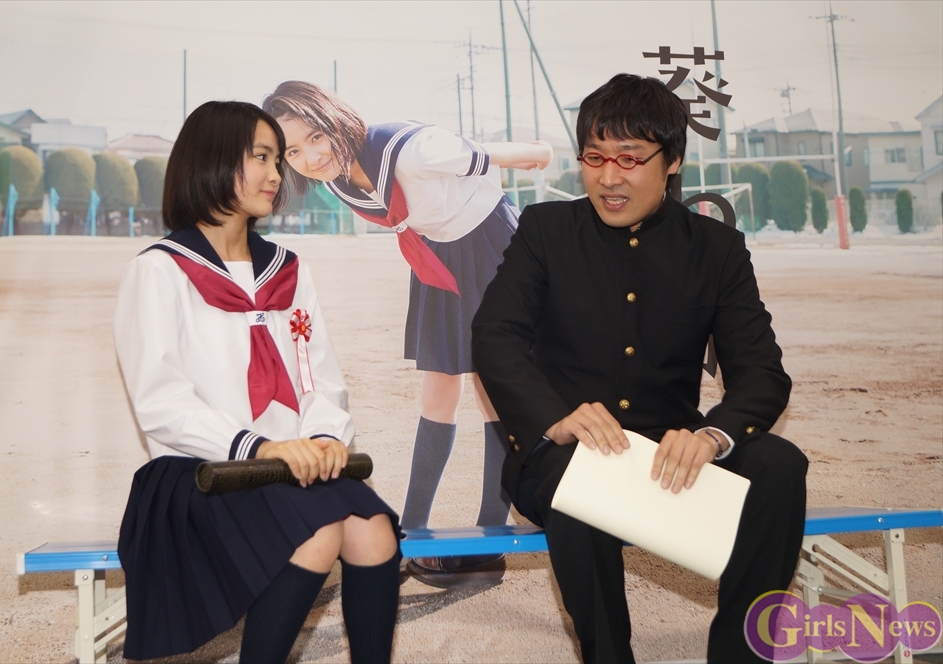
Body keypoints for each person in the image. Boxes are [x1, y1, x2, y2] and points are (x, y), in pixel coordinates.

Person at [471, 74, 809, 662]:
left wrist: (711, 436)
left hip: (665, 455)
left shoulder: (716, 249)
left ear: (671, 161)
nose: (608, 177)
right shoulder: (546, 231)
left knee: (779, 464)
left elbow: (763, 374)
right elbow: (495, 335)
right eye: (595, 157)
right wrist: (556, 418)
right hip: (564, 455)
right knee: (581, 482)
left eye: (629, 158)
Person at [114, 100, 400, 663]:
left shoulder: (288, 269)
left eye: (277, 161)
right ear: (213, 161)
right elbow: (160, 401)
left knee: (373, 529)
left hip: (289, 467)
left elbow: (319, 376)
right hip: (199, 472)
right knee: (317, 530)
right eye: (261, 158)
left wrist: (324, 437)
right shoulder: (159, 270)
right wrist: (261, 447)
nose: (276, 174)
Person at [263, 81, 553, 587]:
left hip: (492, 245)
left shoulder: (414, 149)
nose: (310, 157)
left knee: (492, 389)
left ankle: (489, 539)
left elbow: (493, 156)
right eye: (293, 151)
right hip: (437, 254)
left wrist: (540, 152)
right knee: (438, 388)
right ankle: (410, 534)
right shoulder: (336, 175)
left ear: (335, 119)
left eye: (315, 136)